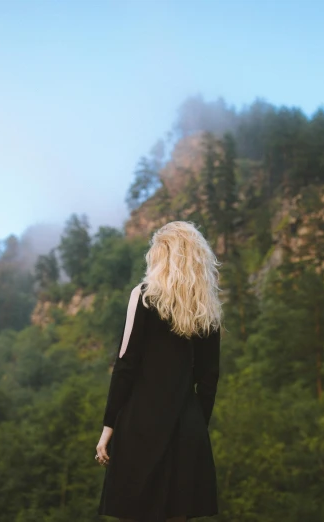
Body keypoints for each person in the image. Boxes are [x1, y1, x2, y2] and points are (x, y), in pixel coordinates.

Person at [95, 221, 223, 522]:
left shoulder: (142, 296)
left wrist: (107, 428)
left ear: (159, 257)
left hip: (140, 425)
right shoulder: (207, 308)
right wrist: (194, 429)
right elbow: (209, 379)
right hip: (186, 427)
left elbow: (125, 364)